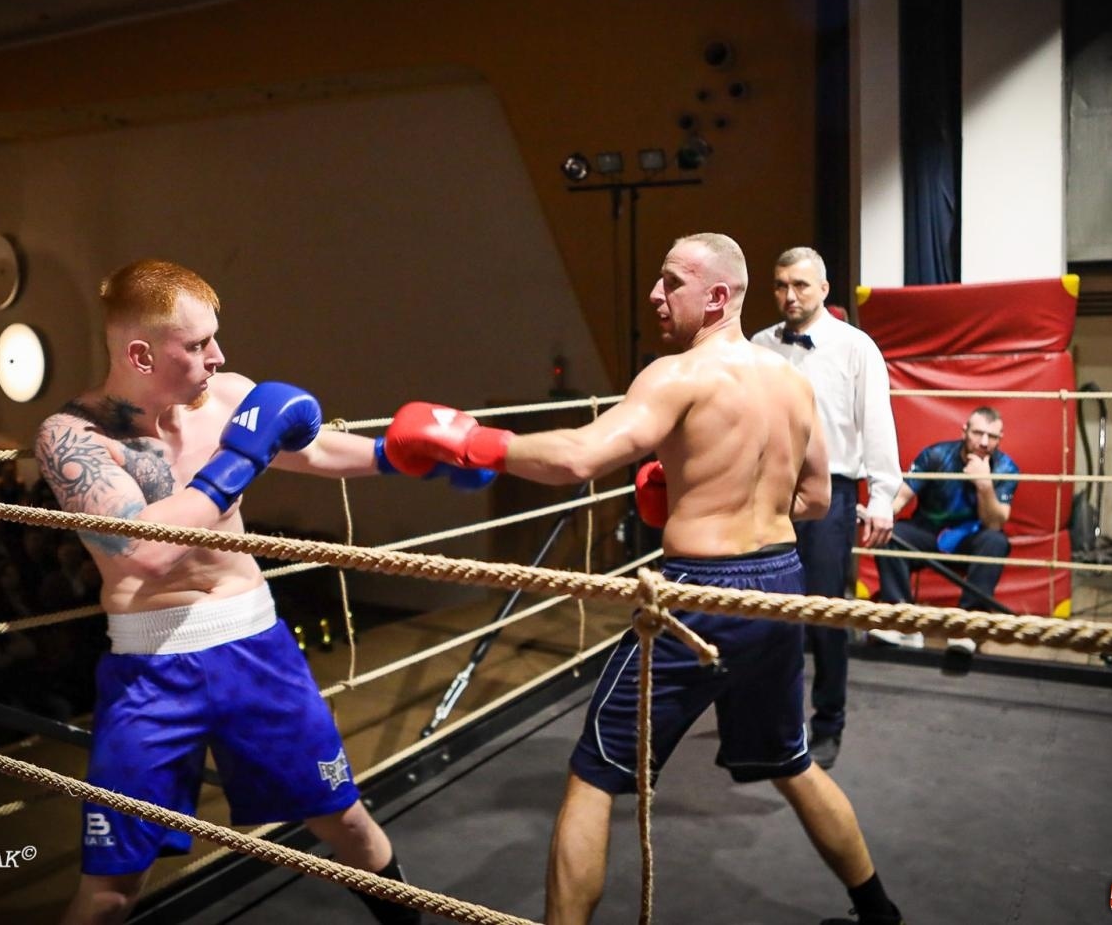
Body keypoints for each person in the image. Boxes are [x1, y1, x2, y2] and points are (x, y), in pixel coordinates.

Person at [382, 234, 902, 925]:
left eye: (672, 282)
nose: (656, 296)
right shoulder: (794, 385)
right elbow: (812, 501)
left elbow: (578, 458)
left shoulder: (674, 375)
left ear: (717, 296)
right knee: (792, 762)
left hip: (698, 595)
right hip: (779, 585)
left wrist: (474, 440)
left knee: (593, 776)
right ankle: (880, 912)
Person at [35, 259, 489, 925]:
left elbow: (308, 451)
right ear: (139, 353)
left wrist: (399, 454)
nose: (218, 357)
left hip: (255, 650)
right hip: (148, 673)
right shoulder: (72, 438)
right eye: (196, 346)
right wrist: (239, 458)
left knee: (351, 832)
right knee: (109, 889)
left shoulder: (226, 398)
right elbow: (144, 549)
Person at [751, 246, 899, 770]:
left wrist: (882, 497)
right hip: (767, 489)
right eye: (780, 285)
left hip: (832, 492)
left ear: (824, 289)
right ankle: (775, 719)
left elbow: (877, 423)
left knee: (824, 610)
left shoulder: (856, 347)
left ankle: (829, 721)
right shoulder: (759, 346)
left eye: (801, 286)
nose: (789, 296)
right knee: (766, 607)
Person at [871, 405, 1018, 656]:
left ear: (1000, 439)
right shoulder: (936, 456)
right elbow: (901, 498)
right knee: (891, 534)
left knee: (996, 541)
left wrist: (984, 485)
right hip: (928, 532)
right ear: (965, 431)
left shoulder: (1005, 468)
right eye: (978, 433)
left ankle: (967, 626)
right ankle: (902, 619)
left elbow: (995, 523)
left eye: (992, 436)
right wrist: (879, 514)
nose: (984, 442)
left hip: (971, 538)